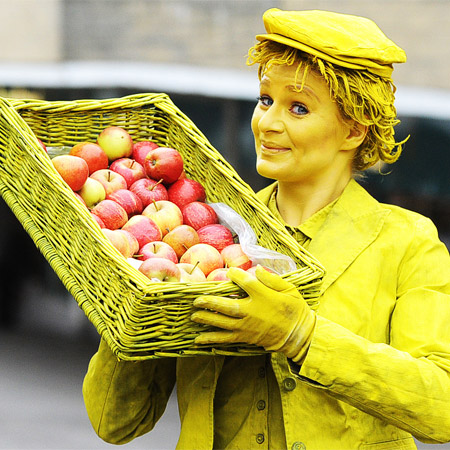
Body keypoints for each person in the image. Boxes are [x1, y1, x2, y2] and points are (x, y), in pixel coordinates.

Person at [82, 8, 450, 450]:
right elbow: (115, 423)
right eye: (264, 100)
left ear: (353, 130)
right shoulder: (203, 233)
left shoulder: (408, 242)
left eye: (298, 107)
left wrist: (302, 336)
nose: (267, 123)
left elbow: (441, 407)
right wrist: (128, 297)